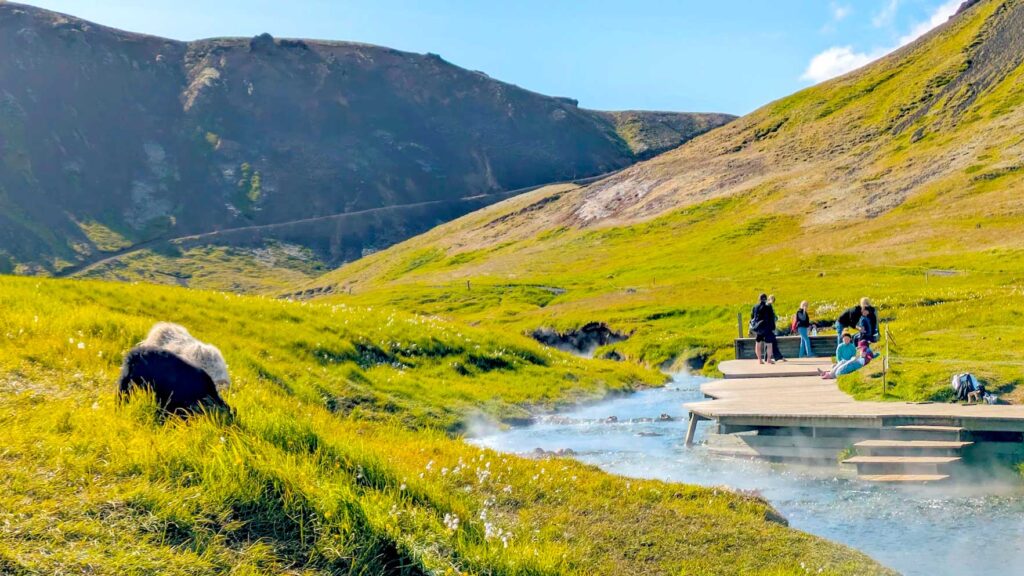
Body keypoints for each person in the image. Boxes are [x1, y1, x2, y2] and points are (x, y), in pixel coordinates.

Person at [750, 294, 776, 365]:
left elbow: (752, 317)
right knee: (769, 344)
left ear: (759, 299)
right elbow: (772, 317)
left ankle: (759, 360)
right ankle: (768, 360)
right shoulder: (768, 307)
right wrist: (773, 327)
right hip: (767, 328)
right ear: (766, 299)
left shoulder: (755, 307)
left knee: (758, 343)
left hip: (759, 328)